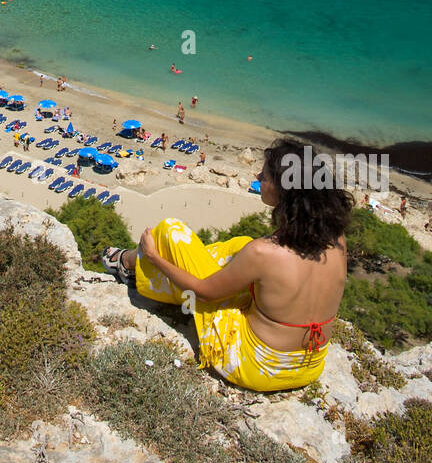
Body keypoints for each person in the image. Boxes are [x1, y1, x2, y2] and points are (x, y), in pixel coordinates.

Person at [102, 139, 350, 393]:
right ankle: (135, 264)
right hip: (310, 365)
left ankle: (130, 265)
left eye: (264, 176)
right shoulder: (337, 239)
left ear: (284, 191)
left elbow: (203, 292)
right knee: (241, 245)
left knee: (171, 231)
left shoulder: (264, 252)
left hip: (255, 367)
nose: (257, 176)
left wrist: (156, 258)